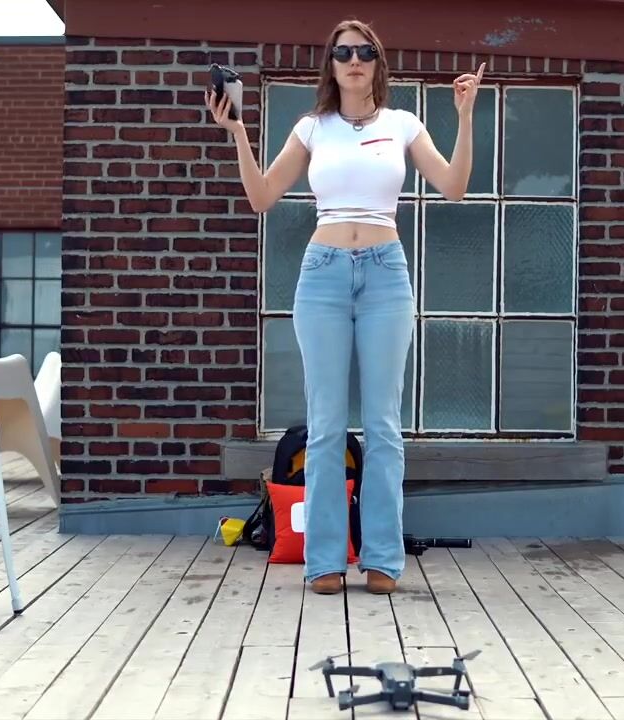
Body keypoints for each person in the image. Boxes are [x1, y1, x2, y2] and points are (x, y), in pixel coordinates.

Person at [206, 18, 483, 595]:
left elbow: (454, 187)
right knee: (326, 427)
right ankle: (325, 560)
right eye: (343, 52)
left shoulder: (403, 124)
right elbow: (262, 196)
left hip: (385, 275)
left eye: (364, 52)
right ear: (330, 65)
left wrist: (464, 115)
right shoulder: (312, 128)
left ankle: (382, 557)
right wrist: (237, 132)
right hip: (323, 276)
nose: (354, 60)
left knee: (383, 426)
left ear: (378, 63)